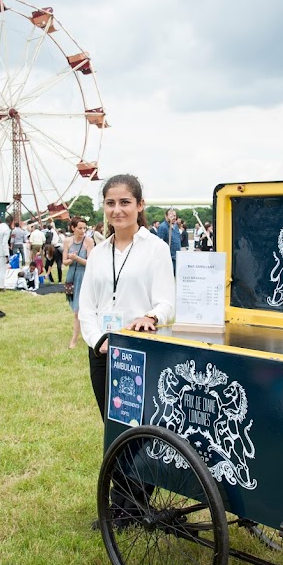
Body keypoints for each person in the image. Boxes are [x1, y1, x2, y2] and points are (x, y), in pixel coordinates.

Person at [79, 174, 176, 420]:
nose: (117, 210)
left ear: (139, 205)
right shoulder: (98, 253)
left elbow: (167, 302)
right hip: (102, 349)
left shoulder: (156, 248)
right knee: (110, 423)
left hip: (140, 350)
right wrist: (97, 341)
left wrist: (151, 316)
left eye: (125, 202)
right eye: (110, 203)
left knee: (141, 424)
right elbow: (87, 307)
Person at [64, 216, 94, 349]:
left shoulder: (89, 241)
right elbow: (64, 262)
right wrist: (71, 259)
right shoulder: (67, 241)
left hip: (84, 276)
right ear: (73, 228)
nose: (83, 231)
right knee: (75, 307)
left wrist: (77, 258)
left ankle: (74, 340)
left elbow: (91, 263)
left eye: (84, 228)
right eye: (80, 228)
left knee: (78, 310)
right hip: (71, 277)